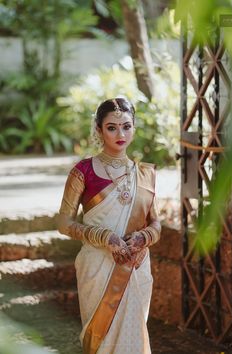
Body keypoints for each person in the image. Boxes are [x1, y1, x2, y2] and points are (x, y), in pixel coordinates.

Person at [57, 97, 161, 354]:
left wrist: (143, 238)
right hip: (98, 266)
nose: (120, 133)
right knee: (101, 340)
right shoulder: (83, 171)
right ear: (99, 129)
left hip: (134, 265)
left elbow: (156, 223)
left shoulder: (145, 174)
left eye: (126, 126)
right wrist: (104, 237)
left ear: (134, 127)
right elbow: (63, 222)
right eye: (112, 127)